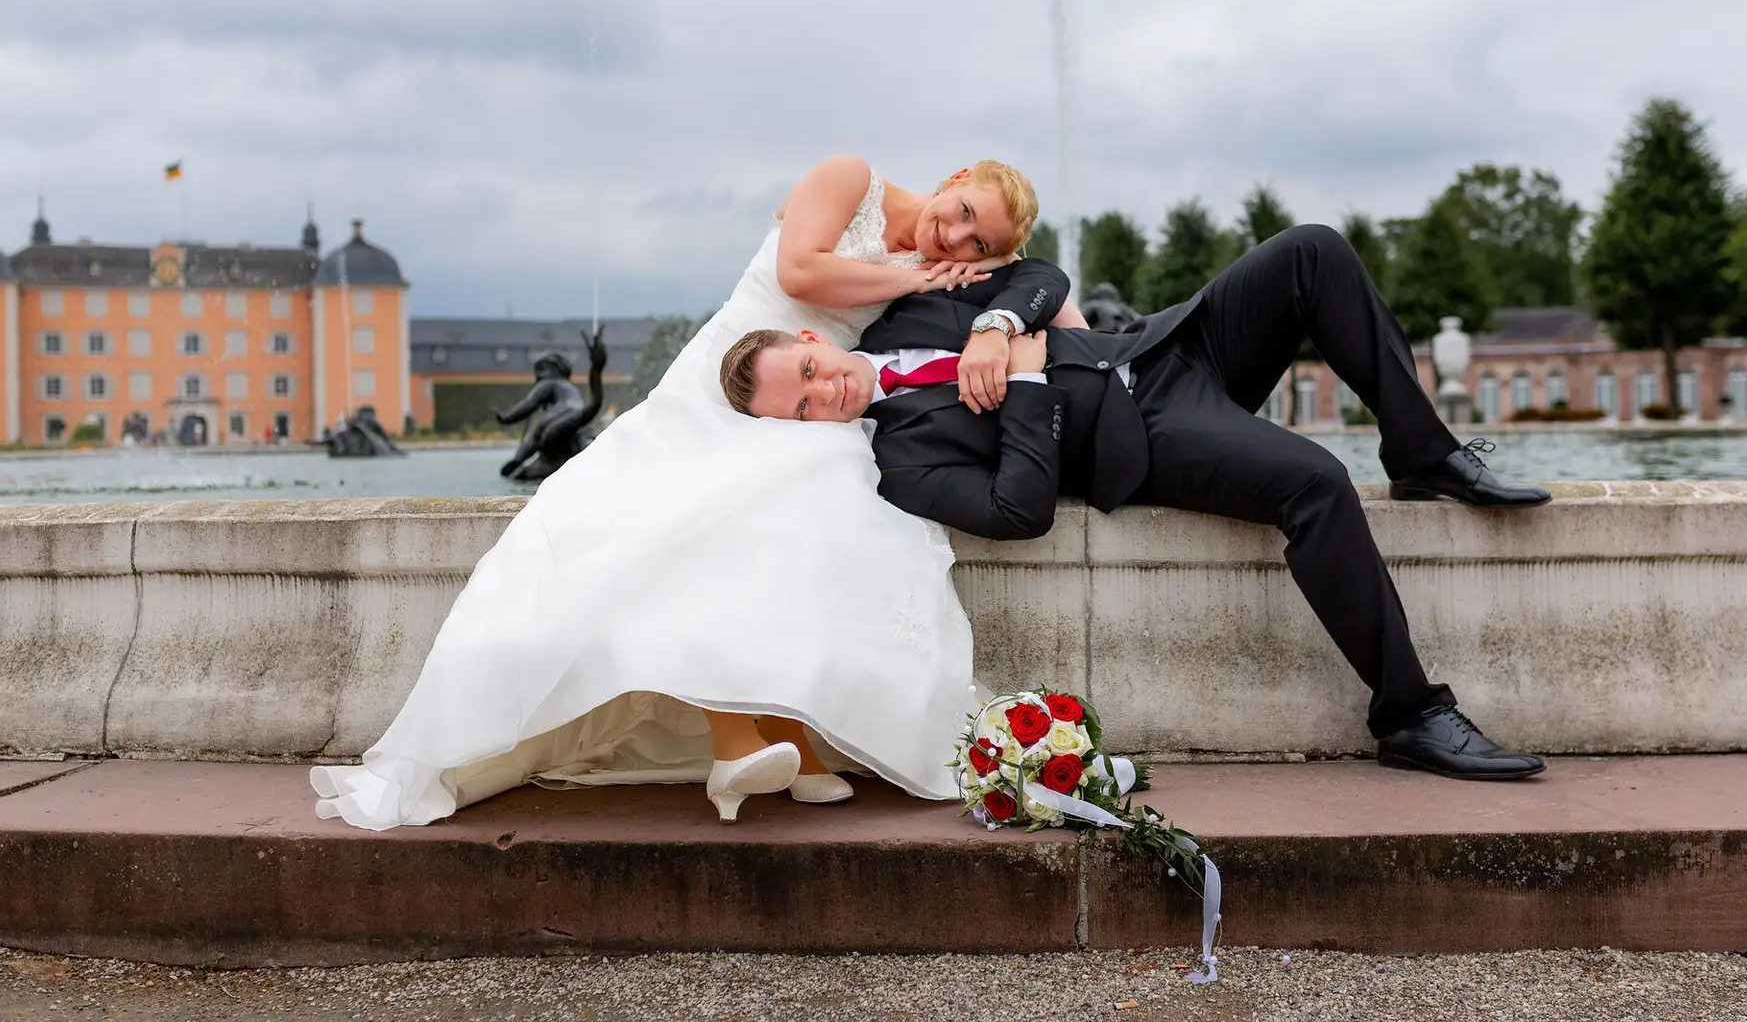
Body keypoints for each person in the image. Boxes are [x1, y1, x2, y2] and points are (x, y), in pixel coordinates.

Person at [313, 155, 1067, 828]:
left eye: (979, 246)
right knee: (690, 517)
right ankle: (741, 735)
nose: (957, 241)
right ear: (952, 178)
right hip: (732, 379)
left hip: (813, 406)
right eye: (962, 212)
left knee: (817, 511)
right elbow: (802, 272)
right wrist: (916, 279)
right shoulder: (850, 179)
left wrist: (1050, 333)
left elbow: (1044, 291)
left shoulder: (959, 266)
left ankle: (791, 735)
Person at [721, 223, 1551, 780]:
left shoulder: (913, 310)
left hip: (1164, 344)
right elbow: (1018, 511)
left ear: (810, 342)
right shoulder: (900, 462)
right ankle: (1409, 714)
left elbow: (1040, 273)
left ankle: (1423, 451)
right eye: (798, 410)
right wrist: (1027, 383)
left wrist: (998, 323)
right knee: (1315, 483)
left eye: (805, 376)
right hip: (1148, 432)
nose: (820, 395)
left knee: (1312, 252)